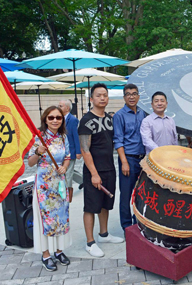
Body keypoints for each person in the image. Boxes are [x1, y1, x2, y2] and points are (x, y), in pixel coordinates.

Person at [79, 83, 123, 258]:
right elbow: (85, 149)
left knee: (105, 203)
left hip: (109, 168)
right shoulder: (86, 121)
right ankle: (90, 242)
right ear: (91, 99)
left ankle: (103, 234)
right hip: (93, 171)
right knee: (91, 206)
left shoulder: (110, 119)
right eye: (98, 95)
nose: (102, 98)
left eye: (105, 95)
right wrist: (94, 174)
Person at [28, 106, 71, 272]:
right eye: (51, 117)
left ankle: (59, 251)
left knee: (61, 216)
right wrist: (38, 152)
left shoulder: (63, 137)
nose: (55, 120)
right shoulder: (39, 137)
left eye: (58, 118)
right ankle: (46, 254)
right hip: (44, 186)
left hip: (59, 183)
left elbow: (67, 156)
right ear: (45, 119)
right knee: (45, 218)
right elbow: (30, 163)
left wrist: (65, 167)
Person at [113, 83, 146, 230]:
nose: (131, 97)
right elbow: (118, 140)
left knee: (142, 194)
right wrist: (124, 162)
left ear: (138, 96)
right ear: (124, 97)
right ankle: (127, 227)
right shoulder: (119, 115)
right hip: (129, 159)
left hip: (143, 159)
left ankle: (138, 223)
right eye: (128, 94)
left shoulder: (143, 113)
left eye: (134, 93)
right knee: (126, 195)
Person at [58, 99, 82, 200]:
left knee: (68, 173)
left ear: (67, 108)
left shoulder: (72, 120)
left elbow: (76, 136)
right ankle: (84, 180)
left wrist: (78, 151)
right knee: (69, 170)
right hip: (61, 151)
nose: (58, 108)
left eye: (61, 106)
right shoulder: (59, 119)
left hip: (70, 151)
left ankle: (67, 194)